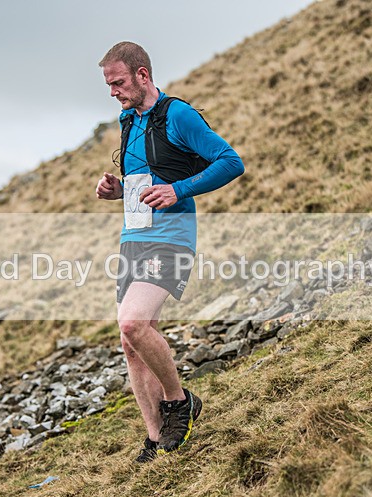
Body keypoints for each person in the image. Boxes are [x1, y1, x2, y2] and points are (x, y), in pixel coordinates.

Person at [95, 41, 244, 463]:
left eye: (118, 82)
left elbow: (230, 161)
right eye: (108, 85)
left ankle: (179, 403)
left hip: (172, 236)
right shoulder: (128, 120)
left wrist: (180, 190)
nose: (113, 92)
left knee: (133, 323)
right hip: (134, 237)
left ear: (143, 75)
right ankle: (157, 437)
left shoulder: (178, 114)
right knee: (130, 342)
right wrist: (116, 191)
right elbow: (146, 182)